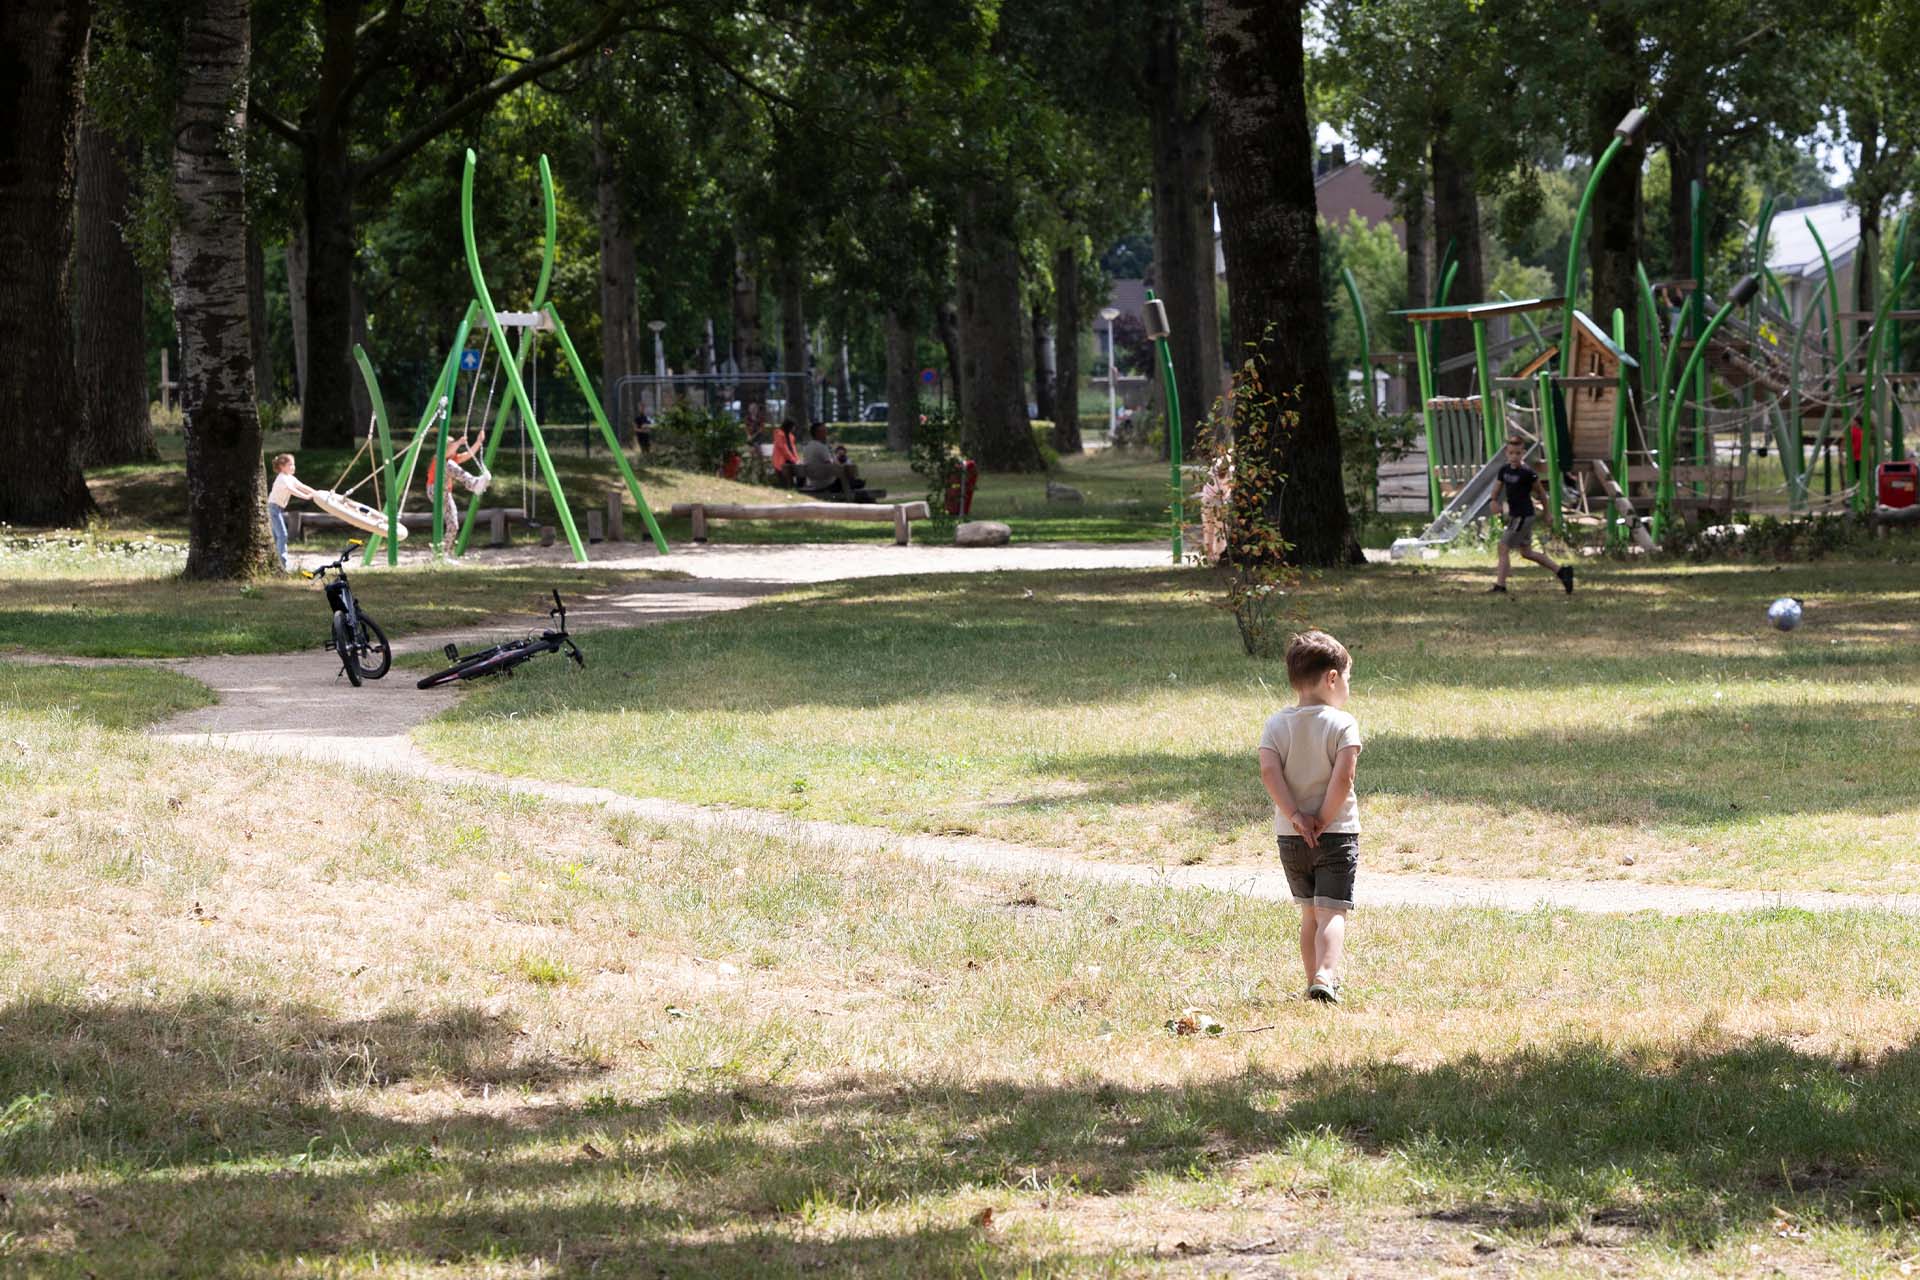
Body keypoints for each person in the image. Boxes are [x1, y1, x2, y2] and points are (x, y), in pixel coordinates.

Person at [1258, 630, 1363, 1004]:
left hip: (1291, 836)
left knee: (1309, 914)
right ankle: (1326, 975)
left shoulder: (1276, 724)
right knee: (1332, 912)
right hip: (1336, 834)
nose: (1347, 686)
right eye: (1348, 677)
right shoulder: (1342, 724)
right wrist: (1322, 817)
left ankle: (1311, 983)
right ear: (1332, 677)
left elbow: (1270, 773)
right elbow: (1344, 776)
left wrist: (1297, 817)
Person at [1490, 434, 1573, 595]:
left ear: (1523, 453)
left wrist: (1547, 513)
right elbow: (1497, 489)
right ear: (1506, 453)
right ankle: (1562, 572)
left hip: (1524, 515)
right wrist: (1493, 501)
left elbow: (1542, 494)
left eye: (1518, 453)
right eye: (1511, 453)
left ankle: (1500, 586)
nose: (1514, 456)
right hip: (1515, 515)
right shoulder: (1504, 470)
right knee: (1526, 552)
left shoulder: (1527, 473)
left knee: (1503, 547)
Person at [426, 429, 490, 551]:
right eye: (450, 448)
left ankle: (443, 552)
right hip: (434, 489)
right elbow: (446, 453)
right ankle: (473, 484)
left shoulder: (453, 459)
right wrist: (458, 443)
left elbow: (469, 454)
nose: (453, 450)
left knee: (453, 524)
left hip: (445, 493)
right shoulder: (438, 458)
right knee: (448, 464)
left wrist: (478, 441)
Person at [266, 453, 318, 572]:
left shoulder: (289, 477)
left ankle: (274, 563)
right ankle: (282, 565)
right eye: (290, 465)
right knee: (282, 535)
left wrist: (316, 493)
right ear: (282, 466)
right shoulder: (282, 478)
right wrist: (306, 497)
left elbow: (301, 486)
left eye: (293, 464)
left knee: (275, 536)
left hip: (277, 509)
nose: (293, 467)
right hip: (273, 509)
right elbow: (292, 490)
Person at [771, 419, 801, 487]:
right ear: (788, 426)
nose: (794, 429)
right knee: (786, 480)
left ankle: (798, 487)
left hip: (790, 460)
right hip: (781, 461)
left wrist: (797, 460)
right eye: (793, 427)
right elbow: (784, 450)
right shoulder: (779, 435)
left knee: (801, 471)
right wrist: (794, 460)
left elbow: (793, 449)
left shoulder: (791, 436)